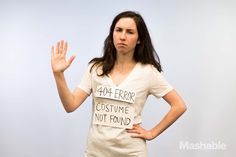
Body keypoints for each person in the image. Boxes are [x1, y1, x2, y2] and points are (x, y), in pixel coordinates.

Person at [51, 11, 187, 157]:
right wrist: (58, 74)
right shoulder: (96, 68)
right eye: (118, 30)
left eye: (130, 32)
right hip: (96, 152)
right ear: (112, 34)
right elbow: (70, 105)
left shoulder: (148, 72)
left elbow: (179, 105)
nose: (122, 37)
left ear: (139, 39)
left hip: (132, 153)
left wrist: (152, 133)